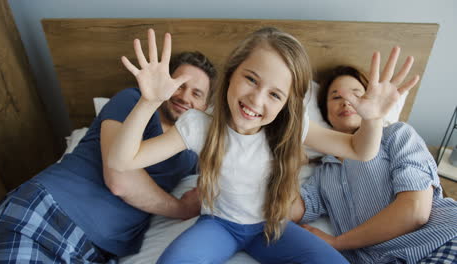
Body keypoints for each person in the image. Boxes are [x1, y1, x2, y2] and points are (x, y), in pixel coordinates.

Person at [109, 27, 418, 263]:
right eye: (252, 79)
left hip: (269, 228)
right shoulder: (199, 125)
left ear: (286, 104)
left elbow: (360, 150)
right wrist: (149, 102)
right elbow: (123, 161)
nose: (256, 100)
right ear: (231, 74)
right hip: (218, 225)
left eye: (275, 94)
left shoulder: (292, 128)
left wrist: (374, 120)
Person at [0, 51, 217, 262]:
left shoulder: (191, 152)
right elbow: (120, 179)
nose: (184, 97)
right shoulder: (132, 100)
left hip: (97, 250)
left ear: (205, 106)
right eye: (179, 85)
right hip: (51, 214)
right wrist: (181, 208)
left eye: (196, 93)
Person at [296, 65, 457, 263]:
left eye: (357, 94)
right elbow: (290, 210)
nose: (347, 101)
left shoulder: (396, 135)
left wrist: (338, 242)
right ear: (325, 113)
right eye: (336, 97)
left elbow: (415, 212)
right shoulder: (322, 172)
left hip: (439, 242)